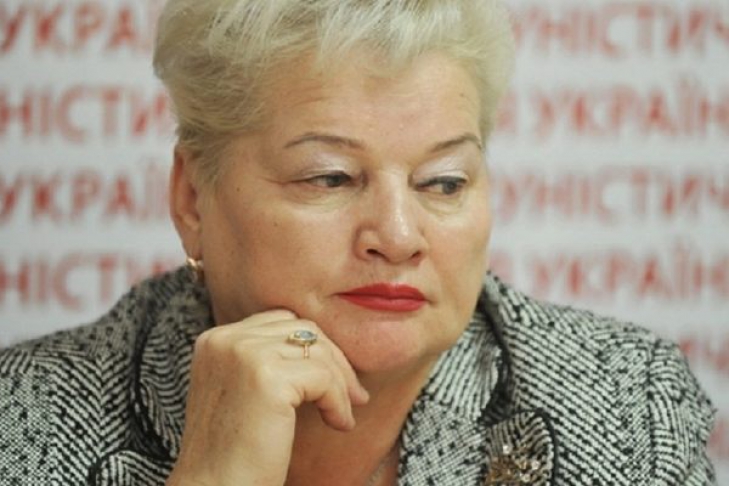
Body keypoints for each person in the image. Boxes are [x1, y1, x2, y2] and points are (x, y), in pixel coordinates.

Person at [0, 0, 717, 484]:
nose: (398, 237)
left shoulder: (627, 403)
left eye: (443, 182)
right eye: (331, 177)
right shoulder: (24, 421)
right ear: (192, 198)